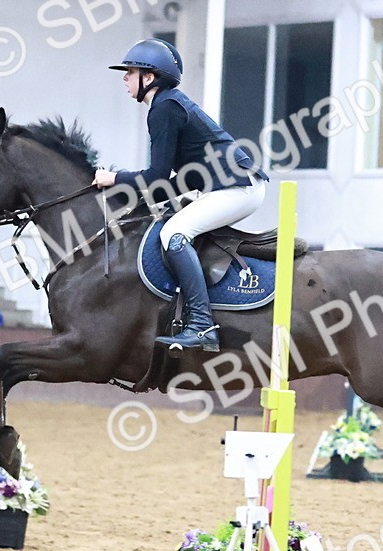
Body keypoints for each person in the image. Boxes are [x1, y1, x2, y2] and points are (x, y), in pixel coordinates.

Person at [94, 39, 269, 352]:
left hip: (238, 187)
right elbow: (181, 180)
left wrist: (114, 178)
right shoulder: (169, 103)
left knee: (174, 233)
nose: (124, 78)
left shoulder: (164, 109)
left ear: (149, 78)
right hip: (231, 185)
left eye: (129, 72)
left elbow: (156, 177)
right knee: (172, 223)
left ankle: (202, 326)